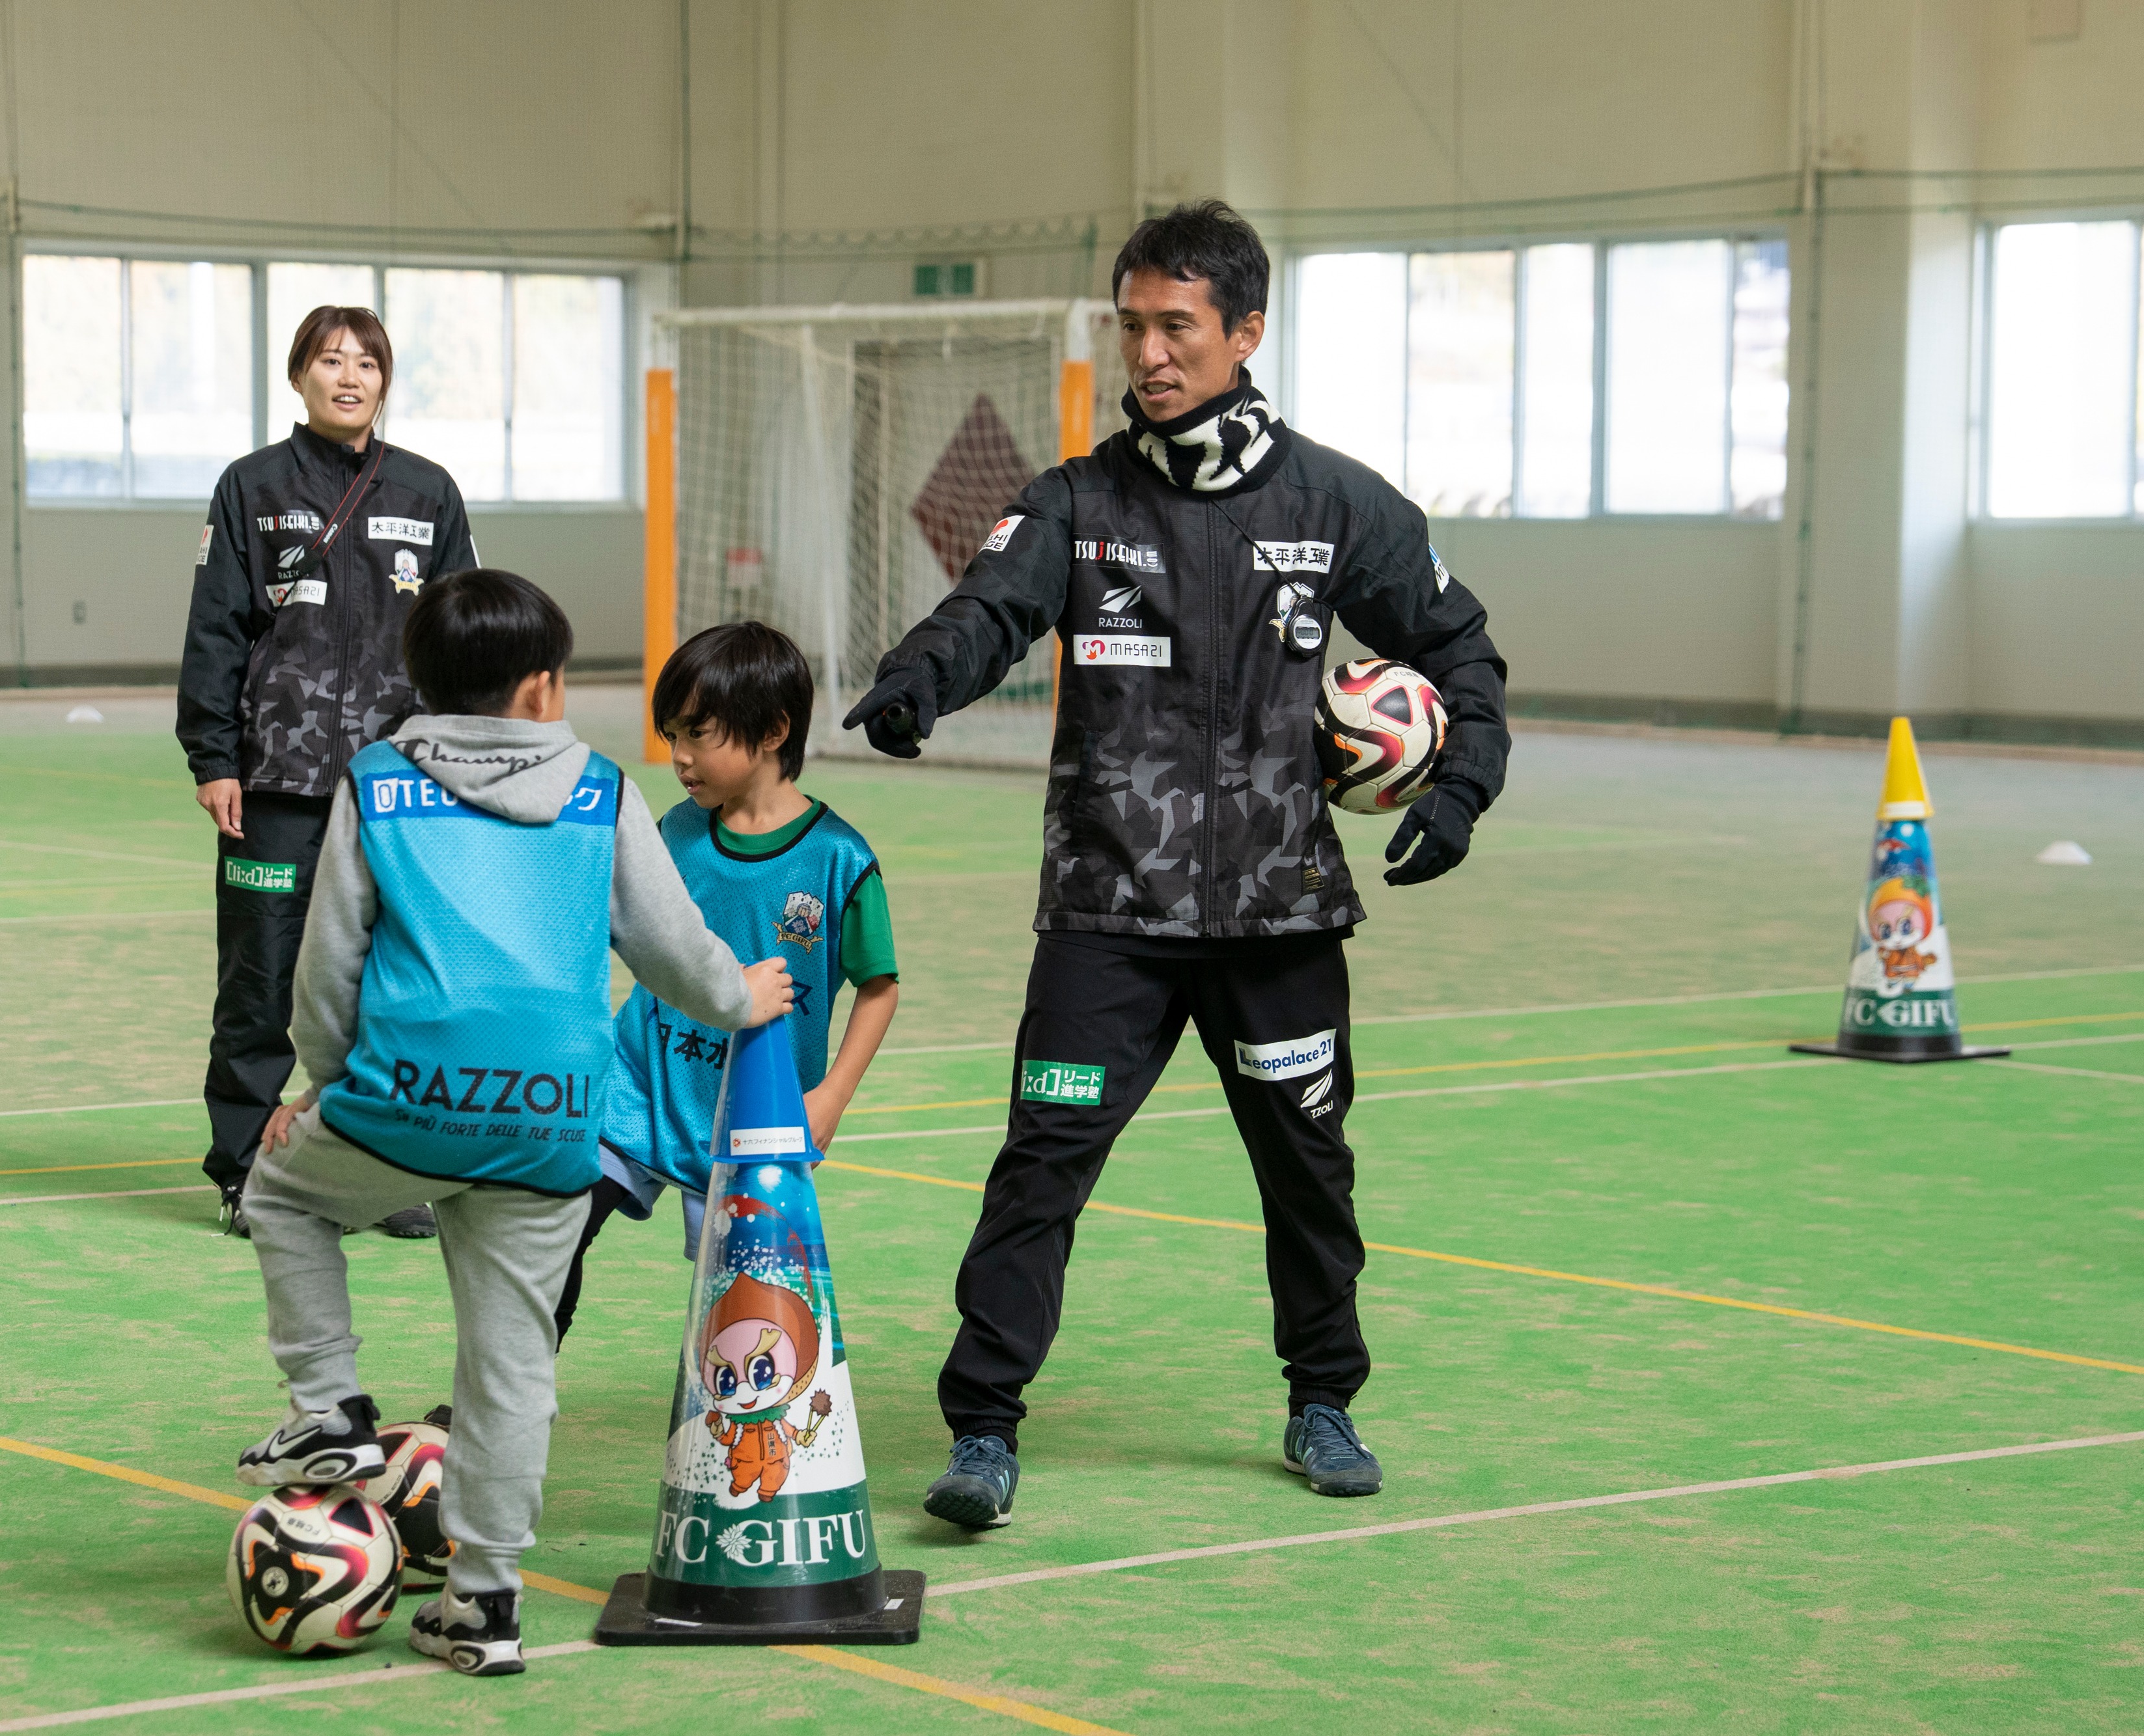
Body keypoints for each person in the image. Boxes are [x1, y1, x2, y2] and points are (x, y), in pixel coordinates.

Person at [842, 200, 1512, 1528]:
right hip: (1108, 909)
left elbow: (1461, 649)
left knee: (1306, 1167)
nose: (1148, 353)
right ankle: (982, 1430)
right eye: (1131, 325)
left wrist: (1460, 788)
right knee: (1041, 1160)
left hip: (1278, 914)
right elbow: (987, 610)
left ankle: (1322, 1397)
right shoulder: (1078, 502)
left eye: (1176, 326)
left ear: (1243, 331)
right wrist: (921, 679)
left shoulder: (1334, 503)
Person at [233, 569, 795, 1676]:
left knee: (282, 1193)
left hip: (400, 1100)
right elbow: (675, 952)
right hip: (550, 1124)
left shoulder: (377, 781)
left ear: (423, 682)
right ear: (543, 687)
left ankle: (332, 1405)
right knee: (510, 1367)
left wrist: (320, 1087)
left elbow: (328, 959)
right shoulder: (600, 791)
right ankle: (484, 1605)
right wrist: (745, 998)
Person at [176, 305, 479, 1241]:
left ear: (386, 381)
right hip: (276, 782)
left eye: (367, 363)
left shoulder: (430, 493)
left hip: (400, 787)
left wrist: (459, 761)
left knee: (390, 980)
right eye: (329, 360)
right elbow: (216, 627)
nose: (349, 376)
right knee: (262, 979)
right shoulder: (252, 487)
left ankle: (378, 1171)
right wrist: (214, 757)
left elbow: (467, 637)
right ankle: (246, 1172)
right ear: (299, 375)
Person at [552, 621, 900, 1342]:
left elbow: (879, 986)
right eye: (671, 735)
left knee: (753, 1298)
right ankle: (498, 1408)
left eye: (696, 735)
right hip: (639, 1091)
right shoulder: (672, 835)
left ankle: (763, 1434)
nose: (677, 758)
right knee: (550, 1237)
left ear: (772, 730)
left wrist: (831, 1096)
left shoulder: (839, 862)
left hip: (754, 1119)